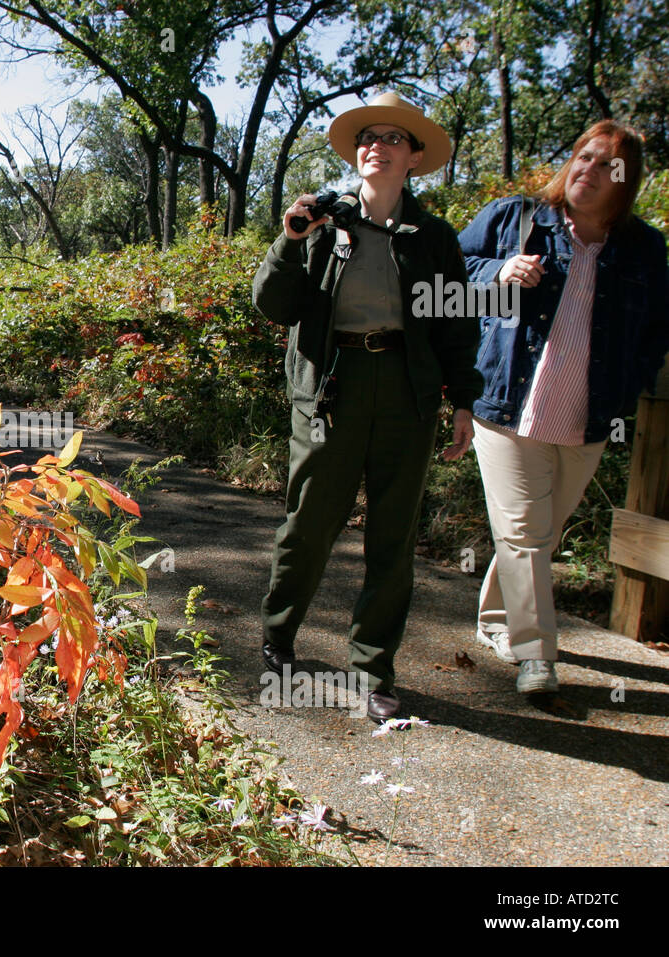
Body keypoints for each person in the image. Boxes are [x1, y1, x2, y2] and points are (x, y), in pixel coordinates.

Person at [252, 92, 482, 723]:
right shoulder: (322, 222)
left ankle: (373, 667)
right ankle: (277, 636)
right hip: (330, 389)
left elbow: (454, 328)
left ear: (412, 157)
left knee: (393, 537)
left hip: (405, 393)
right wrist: (288, 238)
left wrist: (463, 401)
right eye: (366, 137)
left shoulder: (433, 238)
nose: (375, 145)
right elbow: (273, 305)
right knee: (309, 523)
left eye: (391, 138)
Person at [458, 120, 669, 695]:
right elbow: (442, 274)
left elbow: (657, 330)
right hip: (506, 406)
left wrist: (631, 382)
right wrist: (497, 271)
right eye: (583, 157)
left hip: (589, 417)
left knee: (542, 535)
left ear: (627, 183)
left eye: (607, 165)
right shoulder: (514, 219)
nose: (589, 171)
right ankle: (536, 655)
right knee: (525, 532)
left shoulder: (645, 248)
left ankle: (498, 621)